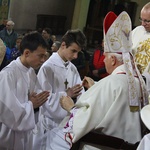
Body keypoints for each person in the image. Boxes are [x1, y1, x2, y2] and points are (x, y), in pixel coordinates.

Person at [45, 11, 148, 150]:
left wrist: (70, 107)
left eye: (105, 56)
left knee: (53, 141)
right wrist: (96, 86)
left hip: (100, 145)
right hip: (127, 145)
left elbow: (85, 120)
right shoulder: (138, 81)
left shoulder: (111, 83)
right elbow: (114, 104)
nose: (104, 60)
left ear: (112, 59)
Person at [32, 29, 87, 150]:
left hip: (66, 124)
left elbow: (80, 94)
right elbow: (44, 99)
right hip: (50, 125)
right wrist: (67, 94)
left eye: (78, 52)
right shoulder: (47, 68)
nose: (76, 56)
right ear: (63, 45)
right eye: (73, 51)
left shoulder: (72, 69)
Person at [0, 32, 50, 150]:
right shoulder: (7, 74)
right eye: (40, 56)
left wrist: (33, 101)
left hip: (24, 132)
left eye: (45, 56)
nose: (43, 60)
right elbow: (8, 112)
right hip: (9, 134)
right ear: (27, 53)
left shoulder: (30, 71)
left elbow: (35, 96)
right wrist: (31, 104)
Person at [131, 2, 150, 95]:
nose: (143, 24)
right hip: (132, 81)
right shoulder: (137, 31)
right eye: (141, 19)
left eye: (147, 21)